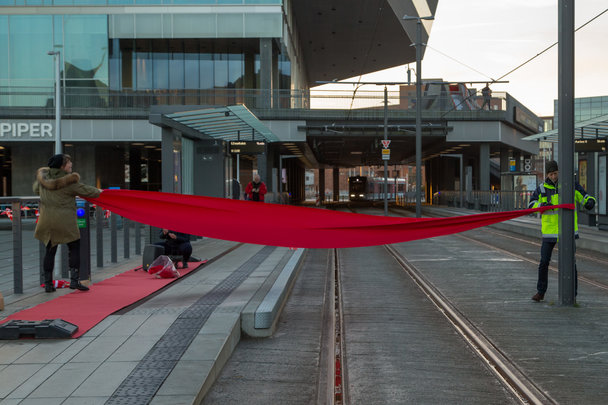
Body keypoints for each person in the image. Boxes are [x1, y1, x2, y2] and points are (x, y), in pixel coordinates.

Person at [528, 160, 596, 302]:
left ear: (559, 172)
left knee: (571, 263)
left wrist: (590, 202)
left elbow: (585, 197)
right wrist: (541, 205)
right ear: (547, 174)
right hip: (549, 232)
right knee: (544, 262)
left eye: (555, 173)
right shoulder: (541, 189)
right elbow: (531, 205)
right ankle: (541, 291)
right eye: (551, 174)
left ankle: (573, 295)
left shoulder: (571, 185)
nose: (553, 177)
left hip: (567, 231)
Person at [33, 154, 102, 292]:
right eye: (68, 162)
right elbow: (88, 191)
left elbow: (36, 190)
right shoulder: (69, 182)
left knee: (50, 251)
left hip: (47, 221)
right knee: (74, 247)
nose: (71, 164)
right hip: (65, 221)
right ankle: (74, 281)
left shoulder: (42, 180)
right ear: (62, 166)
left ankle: (48, 284)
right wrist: (100, 191)